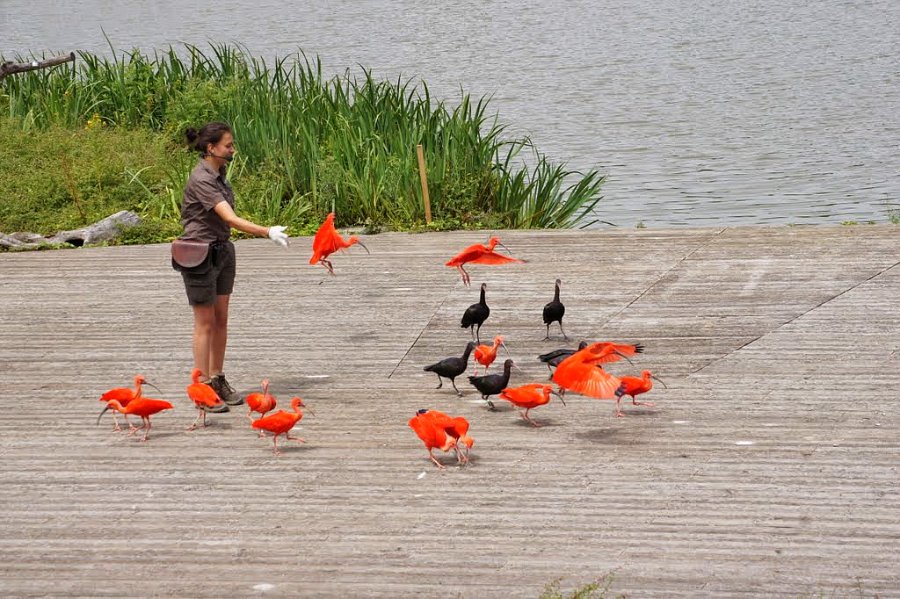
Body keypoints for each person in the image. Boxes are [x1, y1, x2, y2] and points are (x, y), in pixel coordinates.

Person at [175, 121, 289, 409]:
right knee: (204, 323)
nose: (233, 149)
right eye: (228, 145)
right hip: (199, 254)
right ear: (211, 148)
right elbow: (229, 218)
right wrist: (267, 231)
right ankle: (201, 389)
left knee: (221, 319)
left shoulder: (220, 173)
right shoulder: (202, 178)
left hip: (222, 250)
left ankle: (217, 379)